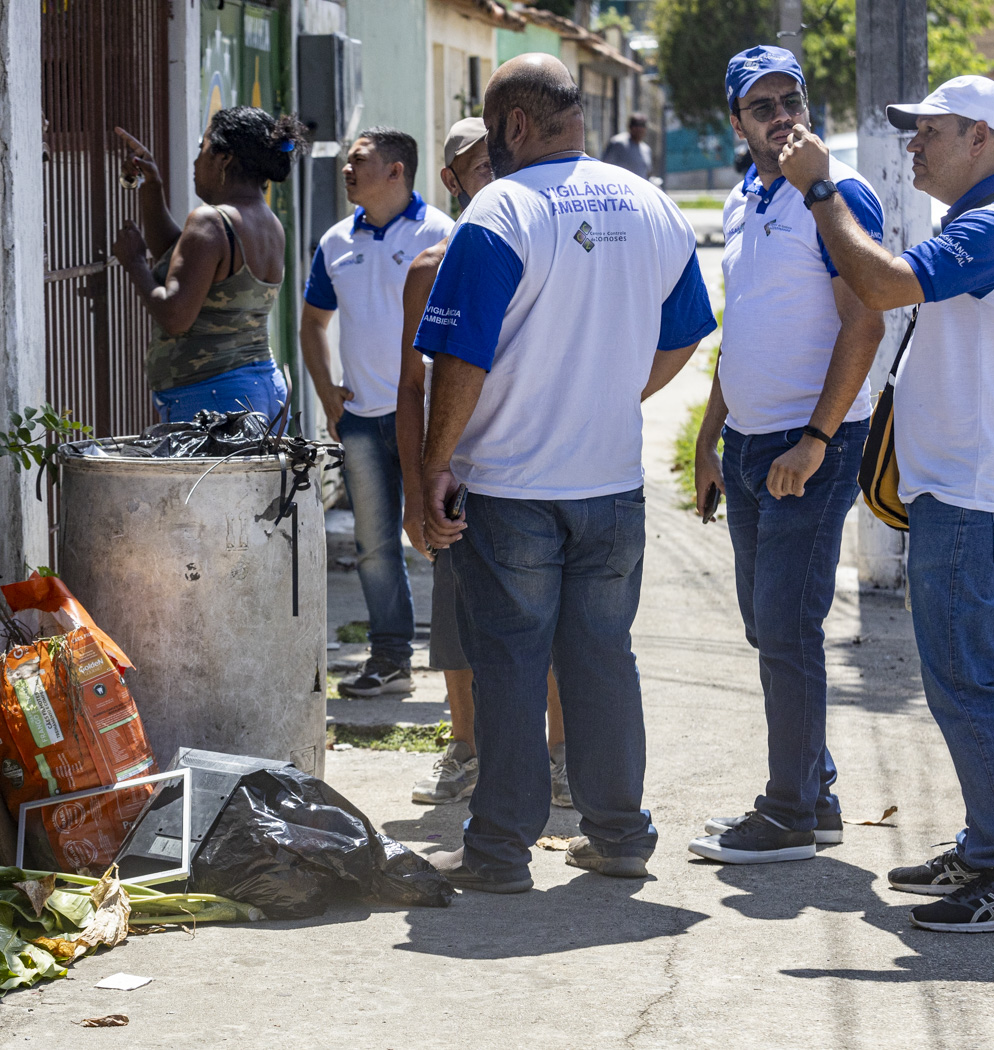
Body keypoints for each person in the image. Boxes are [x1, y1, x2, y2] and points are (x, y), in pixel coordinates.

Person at [416, 54, 716, 893]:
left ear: (512, 125)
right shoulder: (649, 204)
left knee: (510, 662)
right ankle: (619, 834)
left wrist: (434, 467)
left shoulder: (497, 211)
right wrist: (615, 394)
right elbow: (686, 331)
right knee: (601, 657)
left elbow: (460, 359)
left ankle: (499, 852)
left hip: (509, 485)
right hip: (610, 482)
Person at [778, 75, 994, 932]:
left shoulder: (993, 226)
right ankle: (993, 847)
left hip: (973, 499)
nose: (911, 146)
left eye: (926, 132)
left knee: (966, 686)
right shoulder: (987, 223)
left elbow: (883, 284)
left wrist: (822, 190)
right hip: (974, 492)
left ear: (979, 139)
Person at [684, 48, 886, 866]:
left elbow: (864, 323)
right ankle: (817, 790)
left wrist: (815, 438)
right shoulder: (743, 199)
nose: (779, 116)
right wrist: (707, 439)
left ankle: (787, 814)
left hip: (812, 445)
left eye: (790, 99)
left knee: (787, 629)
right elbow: (748, 327)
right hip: (747, 446)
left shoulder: (833, 194)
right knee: (766, 624)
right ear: (736, 122)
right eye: (760, 105)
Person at [396, 118, 572, 809]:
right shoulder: (429, 270)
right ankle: (463, 748)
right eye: (478, 168)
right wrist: (417, 491)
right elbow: (410, 387)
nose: (493, 178)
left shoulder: (549, 250)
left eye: (500, 164)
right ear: (453, 180)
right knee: (458, 625)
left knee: (551, 624)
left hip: (537, 468)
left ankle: (558, 756)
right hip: (458, 475)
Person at [302, 128, 456, 698]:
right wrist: (327, 392)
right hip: (363, 422)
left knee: (442, 538)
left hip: (431, 421)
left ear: (396, 170)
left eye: (358, 160)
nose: (345, 168)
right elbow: (312, 324)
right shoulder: (335, 242)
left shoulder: (443, 234)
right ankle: (391, 657)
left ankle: (461, 669)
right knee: (374, 546)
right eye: (346, 159)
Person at [110, 108, 305, 423]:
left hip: (214, 400)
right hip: (261, 391)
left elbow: (175, 316)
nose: (195, 161)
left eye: (202, 149)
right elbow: (187, 266)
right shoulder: (267, 223)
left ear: (224, 158)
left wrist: (134, 264)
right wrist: (152, 187)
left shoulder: (211, 221)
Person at [603, 113, 653, 178]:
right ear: (630, 126)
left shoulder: (646, 149)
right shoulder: (618, 143)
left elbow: (647, 172)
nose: (639, 128)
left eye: (642, 125)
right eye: (636, 124)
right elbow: (605, 166)